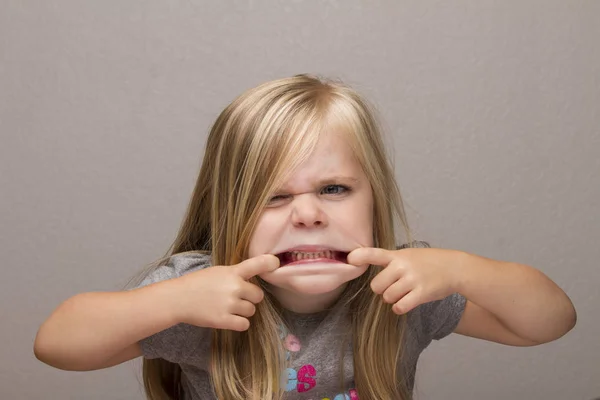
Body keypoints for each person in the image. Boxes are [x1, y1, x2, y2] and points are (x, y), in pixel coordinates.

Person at [34, 74, 577, 400]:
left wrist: (460, 269)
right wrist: (170, 301)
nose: (309, 214)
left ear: (374, 199)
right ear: (230, 213)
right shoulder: (201, 298)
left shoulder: (400, 290)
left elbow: (548, 322)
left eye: (334, 188)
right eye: (274, 197)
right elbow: (58, 344)